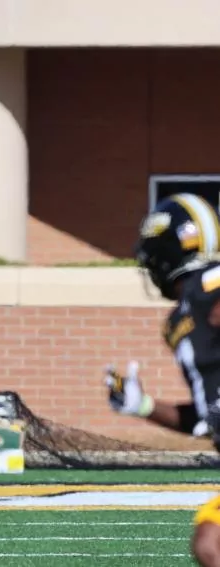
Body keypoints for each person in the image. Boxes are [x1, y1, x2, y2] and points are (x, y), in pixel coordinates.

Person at [105, 193, 220, 567]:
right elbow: (206, 415)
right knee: (210, 541)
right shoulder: (181, 319)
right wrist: (143, 406)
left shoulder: (210, 285)